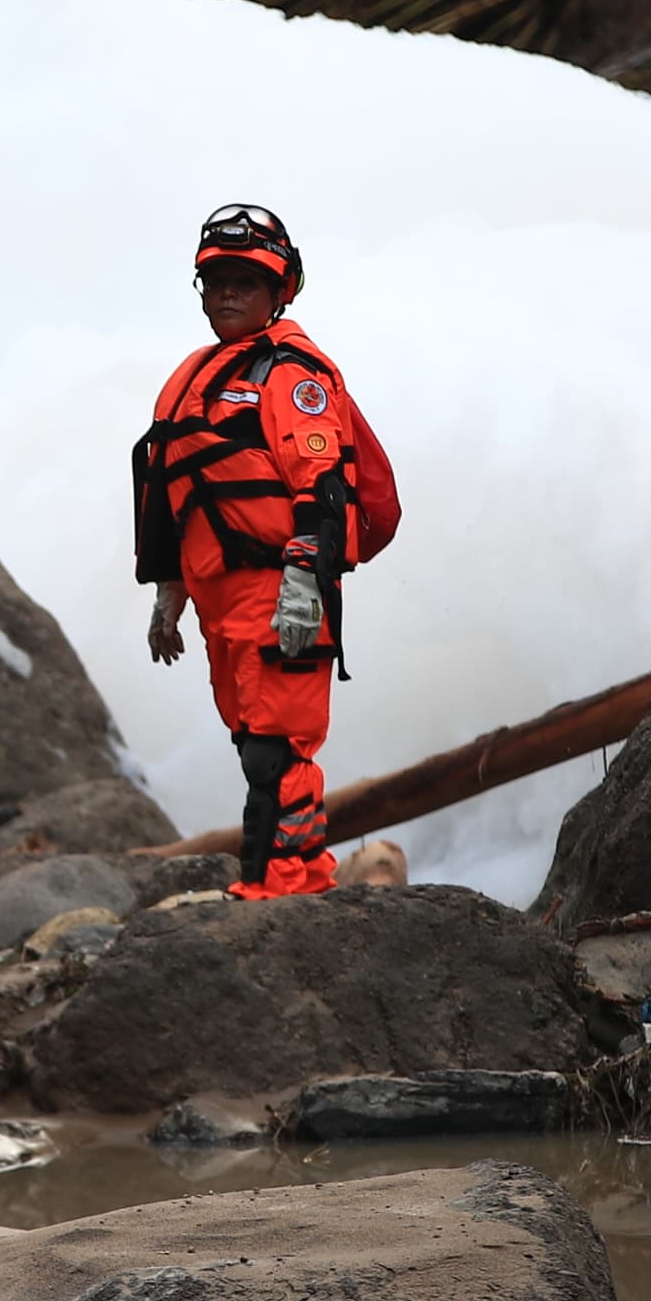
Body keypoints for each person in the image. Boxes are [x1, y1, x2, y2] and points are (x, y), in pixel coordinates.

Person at [134, 203, 370, 897]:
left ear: (280, 290)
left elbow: (321, 486)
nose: (228, 292)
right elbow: (174, 494)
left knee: (277, 750)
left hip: (279, 589)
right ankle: (300, 876)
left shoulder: (290, 375)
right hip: (219, 600)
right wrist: (168, 595)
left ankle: (274, 886)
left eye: (246, 280)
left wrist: (304, 580)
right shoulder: (191, 377)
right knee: (255, 745)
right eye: (216, 280)